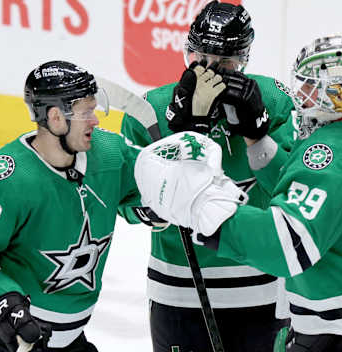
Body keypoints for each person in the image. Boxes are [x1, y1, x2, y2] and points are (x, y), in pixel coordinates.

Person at [135, 34, 342, 351]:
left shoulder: (336, 157)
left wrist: (204, 205)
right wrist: (258, 140)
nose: (300, 96)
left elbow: (288, 245)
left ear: (340, 95)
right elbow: (307, 193)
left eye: (311, 87)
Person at [120, 1, 296, 351]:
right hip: (179, 289)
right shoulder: (150, 112)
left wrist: (257, 137)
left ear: (243, 58)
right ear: (187, 51)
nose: (210, 72)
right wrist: (188, 138)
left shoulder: (273, 101)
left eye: (224, 63)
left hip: (263, 281)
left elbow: (292, 193)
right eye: (201, 58)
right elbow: (127, 204)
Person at [0, 60, 143, 351]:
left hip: (67, 337)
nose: (96, 120)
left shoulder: (109, 152)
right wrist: (4, 303)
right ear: (55, 118)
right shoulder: (8, 177)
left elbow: (148, 188)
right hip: (3, 338)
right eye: (86, 112)